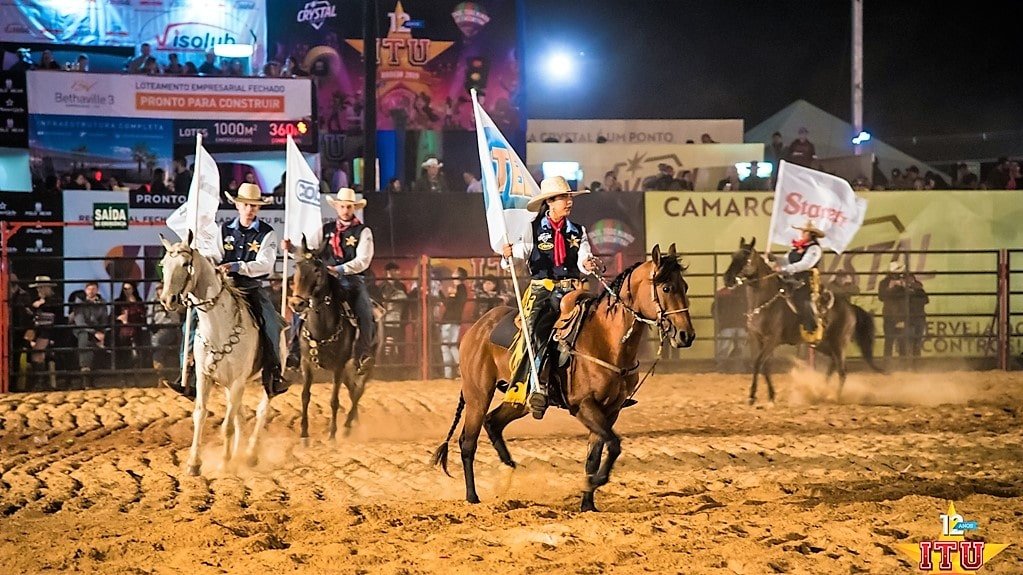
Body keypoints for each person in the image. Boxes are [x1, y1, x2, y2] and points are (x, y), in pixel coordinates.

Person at [164, 183, 288, 399]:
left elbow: (266, 264)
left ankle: (273, 374)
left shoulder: (267, 234)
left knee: (271, 322)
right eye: (245, 205)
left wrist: (237, 266)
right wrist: (203, 257)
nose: (249, 209)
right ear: (238, 205)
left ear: (258, 208)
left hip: (250, 287)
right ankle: (188, 374)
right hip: (223, 286)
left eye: (253, 205)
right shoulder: (224, 230)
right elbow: (215, 256)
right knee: (191, 322)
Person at [502, 176, 600, 419]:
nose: (569, 202)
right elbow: (520, 253)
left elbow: (583, 259)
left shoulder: (577, 230)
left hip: (573, 290)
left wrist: (588, 263)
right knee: (535, 332)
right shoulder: (533, 228)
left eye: (569, 197)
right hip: (542, 291)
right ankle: (537, 385)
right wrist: (508, 254)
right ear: (550, 202)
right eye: (563, 198)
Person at [283, 188, 376, 374]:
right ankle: (294, 351)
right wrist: (292, 249)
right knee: (301, 306)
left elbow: (363, 260)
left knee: (364, 310)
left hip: (351, 280)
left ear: (354, 208)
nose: (345, 210)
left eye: (349, 207)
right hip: (325, 279)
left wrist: (339, 269)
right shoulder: (326, 230)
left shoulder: (363, 231)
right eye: (342, 206)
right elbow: (309, 252)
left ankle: (363, 354)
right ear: (337, 207)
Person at [771, 220, 825, 340]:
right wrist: (775, 258)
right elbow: (786, 260)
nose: (802, 233)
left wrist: (785, 269)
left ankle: (811, 328)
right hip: (790, 279)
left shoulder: (814, 249)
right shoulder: (796, 247)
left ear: (811, 234)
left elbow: (805, 264)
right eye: (802, 231)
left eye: (804, 232)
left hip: (805, 281)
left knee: (803, 301)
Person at [711, 285, 748, 372]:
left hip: (728, 325)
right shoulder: (743, 293)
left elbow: (714, 309)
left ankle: (722, 366)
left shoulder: (721, 293)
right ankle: (736, 366)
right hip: (738, 324)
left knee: (726, 347)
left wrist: (720, 321)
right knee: (739, 347)